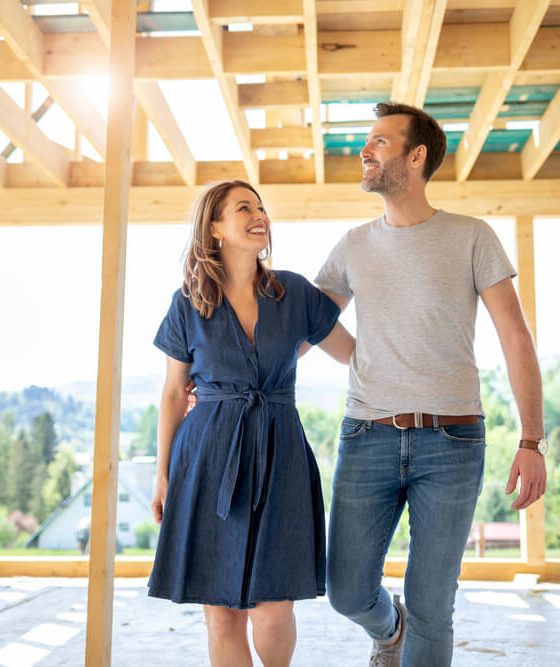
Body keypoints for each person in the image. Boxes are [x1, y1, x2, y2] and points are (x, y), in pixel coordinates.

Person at [315, 102, 547, 666]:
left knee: (432, 604)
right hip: (366, 434)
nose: (364, 151)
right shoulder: (352, 244)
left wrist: (532, 439)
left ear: (416, 157)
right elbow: (306, 327)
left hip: (454, 442)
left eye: (379, 142)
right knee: (345, 589)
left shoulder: (472, 237)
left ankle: (409, 629)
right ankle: (387, 630)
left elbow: (515, 337)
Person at [148, 179, 355, 667]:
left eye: (261, 207)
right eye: (244, 208)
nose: (258, 214)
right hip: (205, 456)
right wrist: (162, 475)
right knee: (220, 611)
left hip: (281, 451)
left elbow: (353, 354)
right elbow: (175, 393)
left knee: (274, 604)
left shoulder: (295, 291)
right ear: (215, 227)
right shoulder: (187, 303)